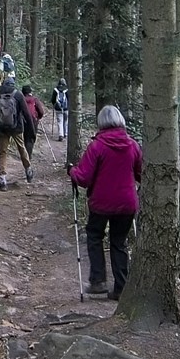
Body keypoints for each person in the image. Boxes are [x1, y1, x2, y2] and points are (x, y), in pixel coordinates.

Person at [69, 104, 142, 296]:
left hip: (101, 203)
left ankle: (98, 281)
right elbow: (142, 174)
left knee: (94, 236)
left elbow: (83, 178)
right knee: (119, 242)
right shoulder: (133, 145)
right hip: (127, 203)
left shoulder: (97, 146)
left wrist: (72, 171)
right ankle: (121, 288)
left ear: (101, 123)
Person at [0, 73, 35, 187]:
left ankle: (2, 180)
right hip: (16, 127)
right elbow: (27, 114)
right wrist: (32, 131)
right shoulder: (18, 94)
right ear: (13, 84)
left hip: (1, 128)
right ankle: (28, 170)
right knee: (22, 148)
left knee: (3, 152)